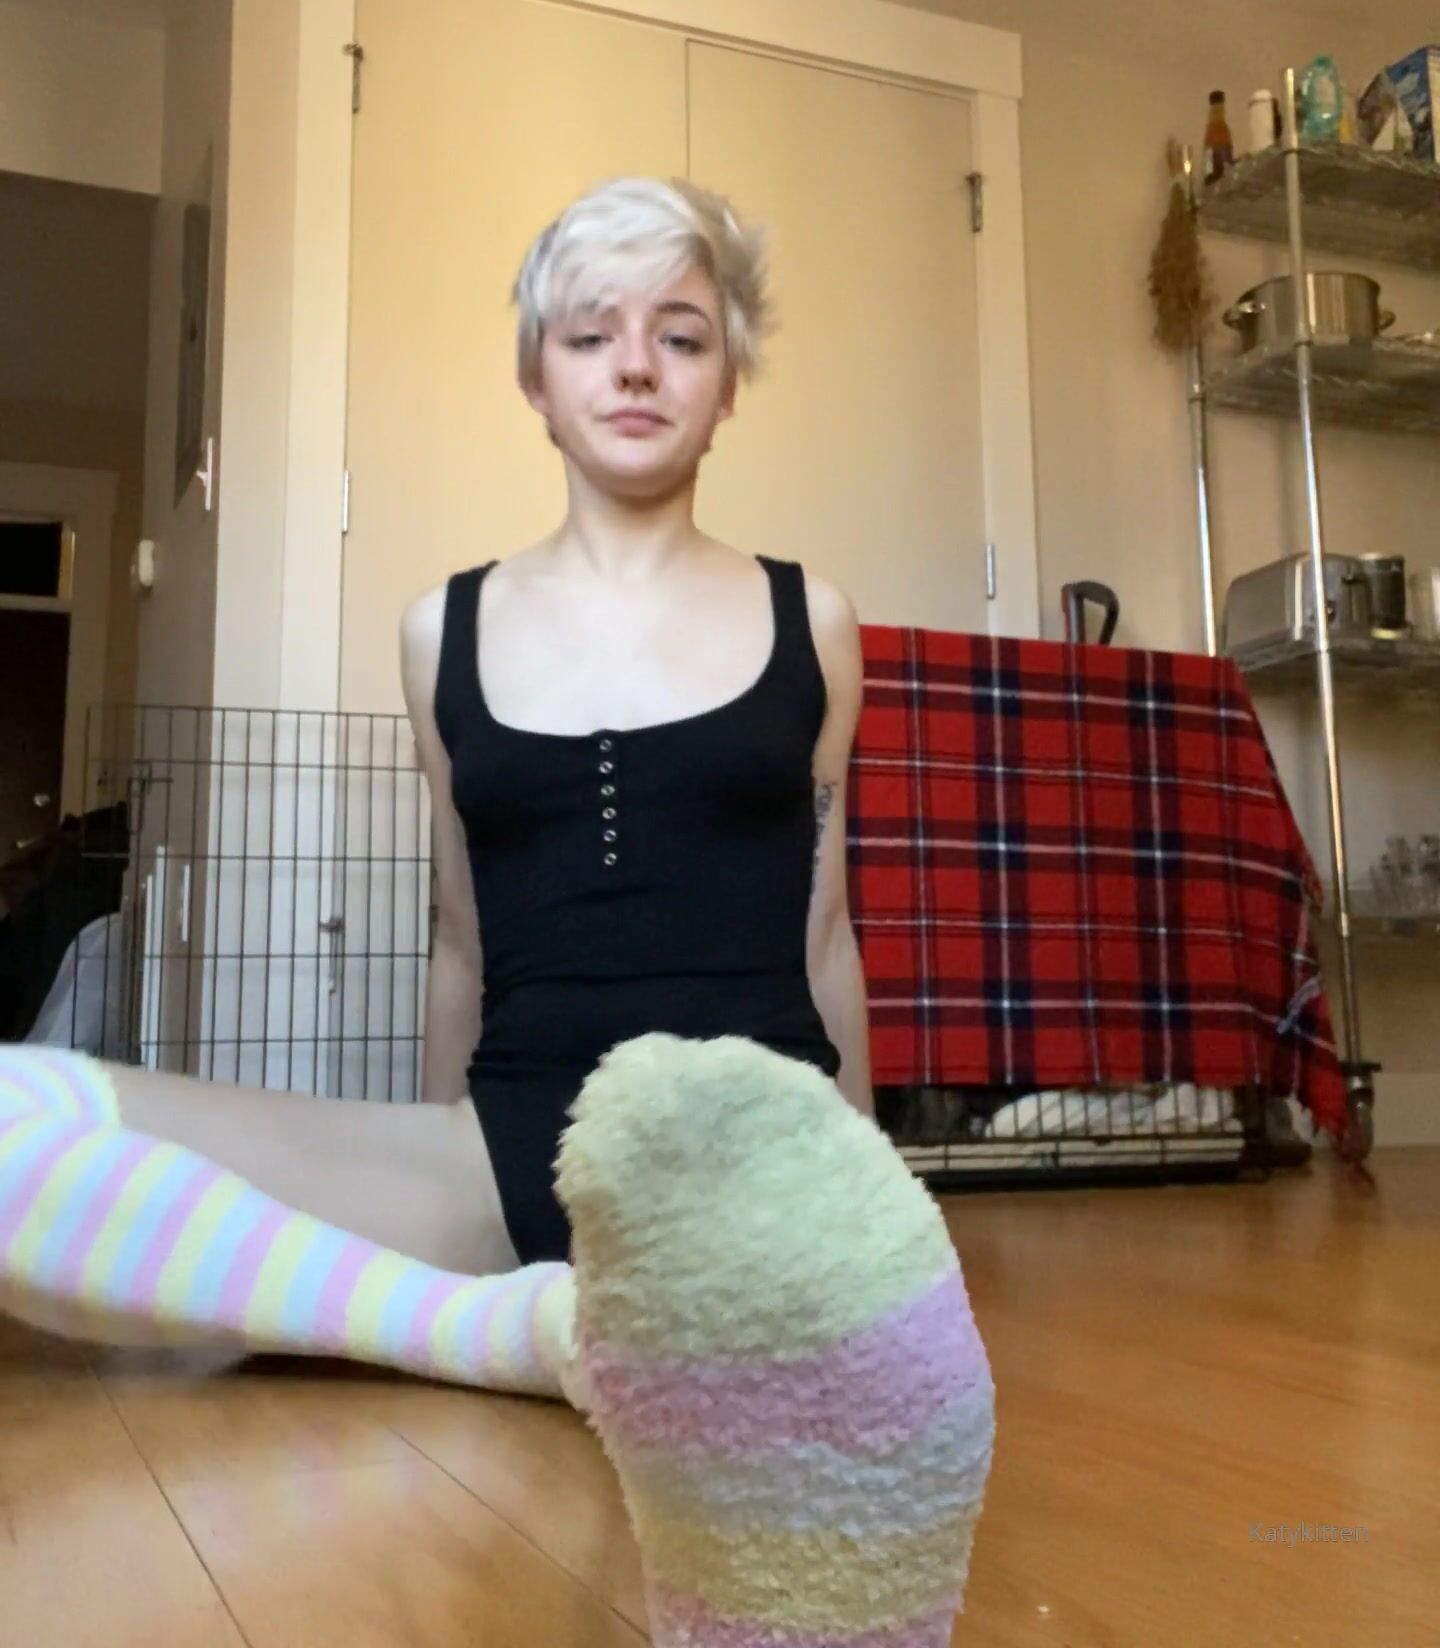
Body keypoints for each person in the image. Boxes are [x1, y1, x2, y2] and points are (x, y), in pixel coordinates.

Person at [1, 178, 994, 1646]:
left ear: (727, 384)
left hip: (750, 1163)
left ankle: (537, 1327)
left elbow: (825, 932)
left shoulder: (815, 620)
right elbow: (460, 935)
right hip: (516, 1152)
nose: (637, 365)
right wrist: (434, 1184)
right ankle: (515, 1328)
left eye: (682, 335)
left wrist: (864, 1201)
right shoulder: (440, 631)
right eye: (591, 334)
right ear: (537, 377)